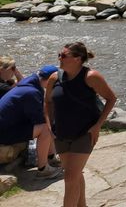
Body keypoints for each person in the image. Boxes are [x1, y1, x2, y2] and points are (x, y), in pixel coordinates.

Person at [45, 42, 117, 207]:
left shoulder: (91, 77)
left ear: (77, 59)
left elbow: (111, 98)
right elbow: (47, 102)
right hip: (61, 133)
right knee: (74, 174)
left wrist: (98, 125)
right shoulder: (54, 78)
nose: (59, 58)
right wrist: (49, 125)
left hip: (84, 133)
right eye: (59, 55)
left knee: (70, 178)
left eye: (63, 55)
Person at [0, 64, 61, 178]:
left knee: (46, 124)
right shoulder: (31, 92)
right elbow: (39, 120)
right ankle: (43, 169)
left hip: (8, 126)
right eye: (54, 83)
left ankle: (51, 157)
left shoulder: (31, 83)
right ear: (48, 80)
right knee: (46, 129)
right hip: (3, 133)